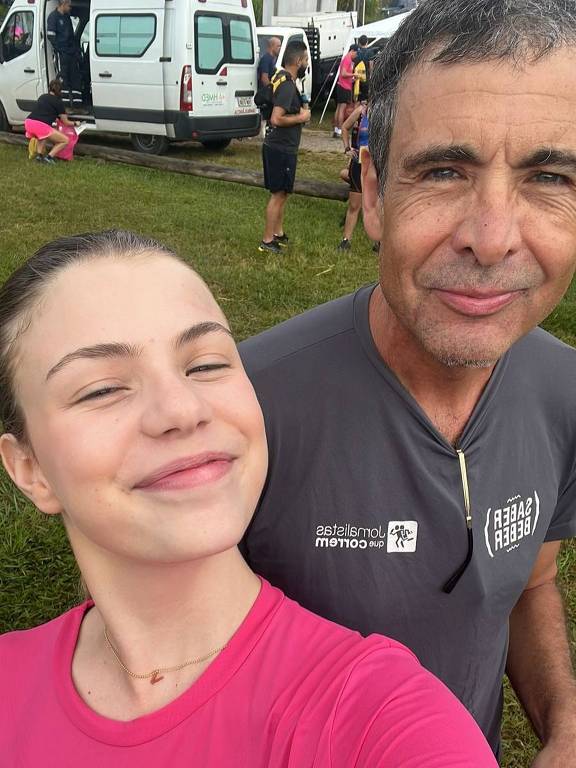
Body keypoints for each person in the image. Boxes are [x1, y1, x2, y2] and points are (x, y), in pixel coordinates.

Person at [0, 230, 497, 767]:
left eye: (206, 364)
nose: (182, 410)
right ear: (29, 469)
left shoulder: (379, 720)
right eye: (101, 389)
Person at [240, 0, 576, 762]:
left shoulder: (565, 392)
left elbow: (528, 587)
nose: (492, 240)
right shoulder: (244, 410)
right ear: (375, 190)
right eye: (444, 171)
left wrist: (564, 726)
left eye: (548, 175)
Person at [259, 41, 311, 255]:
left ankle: (278, 233)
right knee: (278, 194)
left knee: (282, 193)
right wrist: (301, 116)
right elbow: (276, 119)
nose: (307, 63)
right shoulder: (287, 86)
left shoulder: (284, 79)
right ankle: (267, 240)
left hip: (280, 146)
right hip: (280, 147)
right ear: (298, 61)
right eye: (306, 60)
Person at [337, 100, 369, 250]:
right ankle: (345, 241)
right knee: (355, 204)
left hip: (378, 164)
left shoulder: (389, 110)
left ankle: (380, 243)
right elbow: (344, 127)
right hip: (359, 161)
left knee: (377, 205)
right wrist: (347, 148)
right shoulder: (362, 111)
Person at [24, 79, 77, 164]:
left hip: (29, 122)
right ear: (60, 91)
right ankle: (49, 157)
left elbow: (45, 111)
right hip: (41, 126)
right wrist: (75, 123)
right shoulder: (59, 102)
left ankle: (39, 156)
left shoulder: (42, 96)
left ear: (49, 88)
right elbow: (66, 122)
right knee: (65, 140)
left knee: (42, 136)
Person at [47, 0, 83, 109]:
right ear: (63, 4)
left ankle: (77, 107)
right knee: (63, 80)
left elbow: (71, 36)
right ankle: (66, 108)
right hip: (61, 54)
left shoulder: (67, 17)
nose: (70, 7)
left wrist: (75, 51)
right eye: (69, 5)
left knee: (75, 78)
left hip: (71, 53)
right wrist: (61, 50)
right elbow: (51, 36)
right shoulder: (53, 17)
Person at [333, 45, 359, 138]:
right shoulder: (347, 59)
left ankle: (336, 129)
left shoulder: (346, 59)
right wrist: (353, 74)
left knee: (339, 108)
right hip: (344, 87)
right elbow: (343, 73)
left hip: (341, 85)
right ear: (352, 51)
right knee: (342, 109)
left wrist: (352, 78)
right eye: (356, 53)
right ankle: (340, 130)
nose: (356, 56)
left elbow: (344, 75)